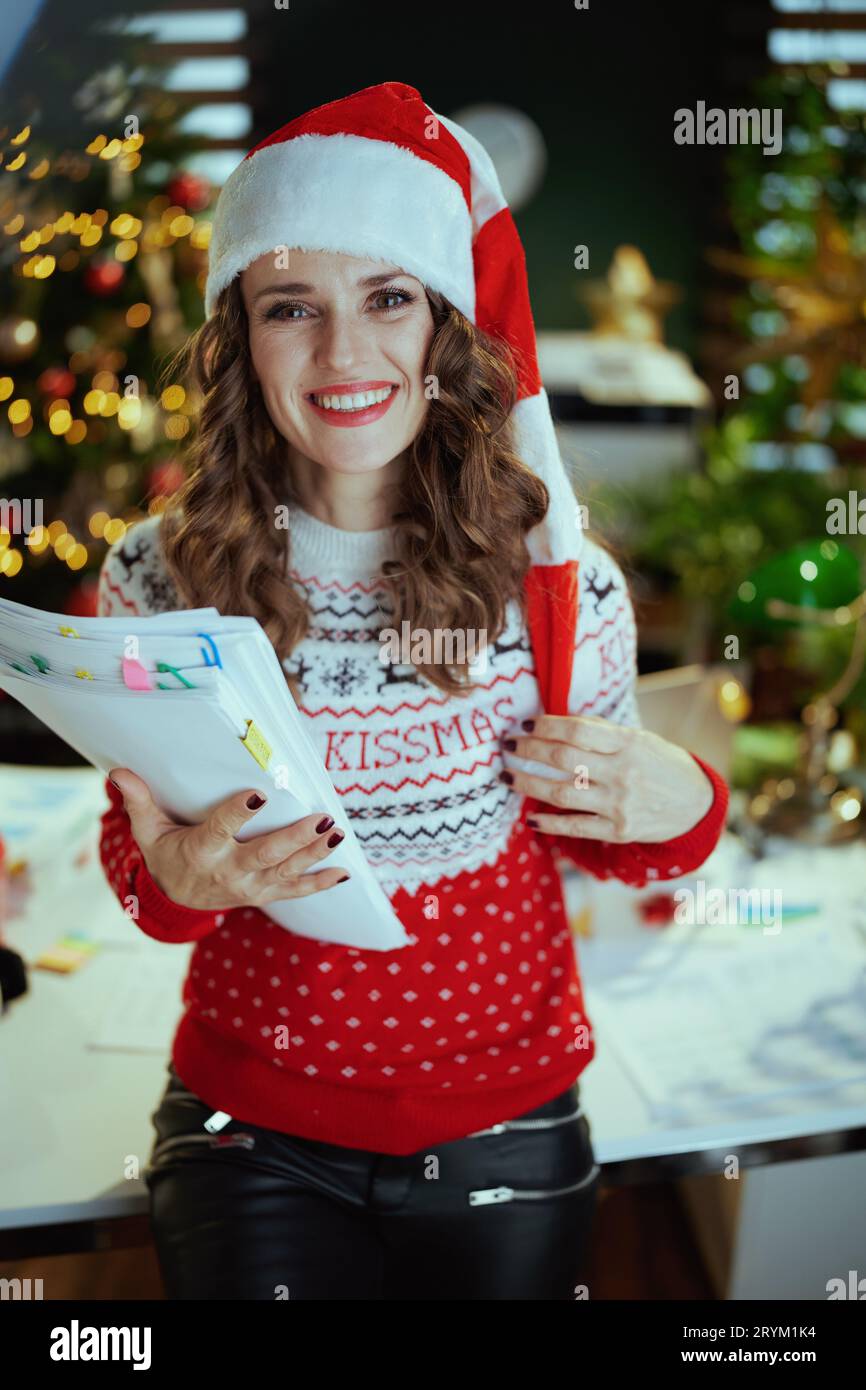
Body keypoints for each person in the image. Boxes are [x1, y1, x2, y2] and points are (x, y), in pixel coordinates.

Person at [97, 81, 729, 1300]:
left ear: (445, 329)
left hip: (506, 1114)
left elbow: (623, 849)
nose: (344, 354)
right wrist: (174, 884)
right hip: (251, 1125)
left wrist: (686, 805)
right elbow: (151, 869)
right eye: (293, 307)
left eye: (387, 298)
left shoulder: (556, 586)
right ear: (242, 335)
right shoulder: (156, 577)